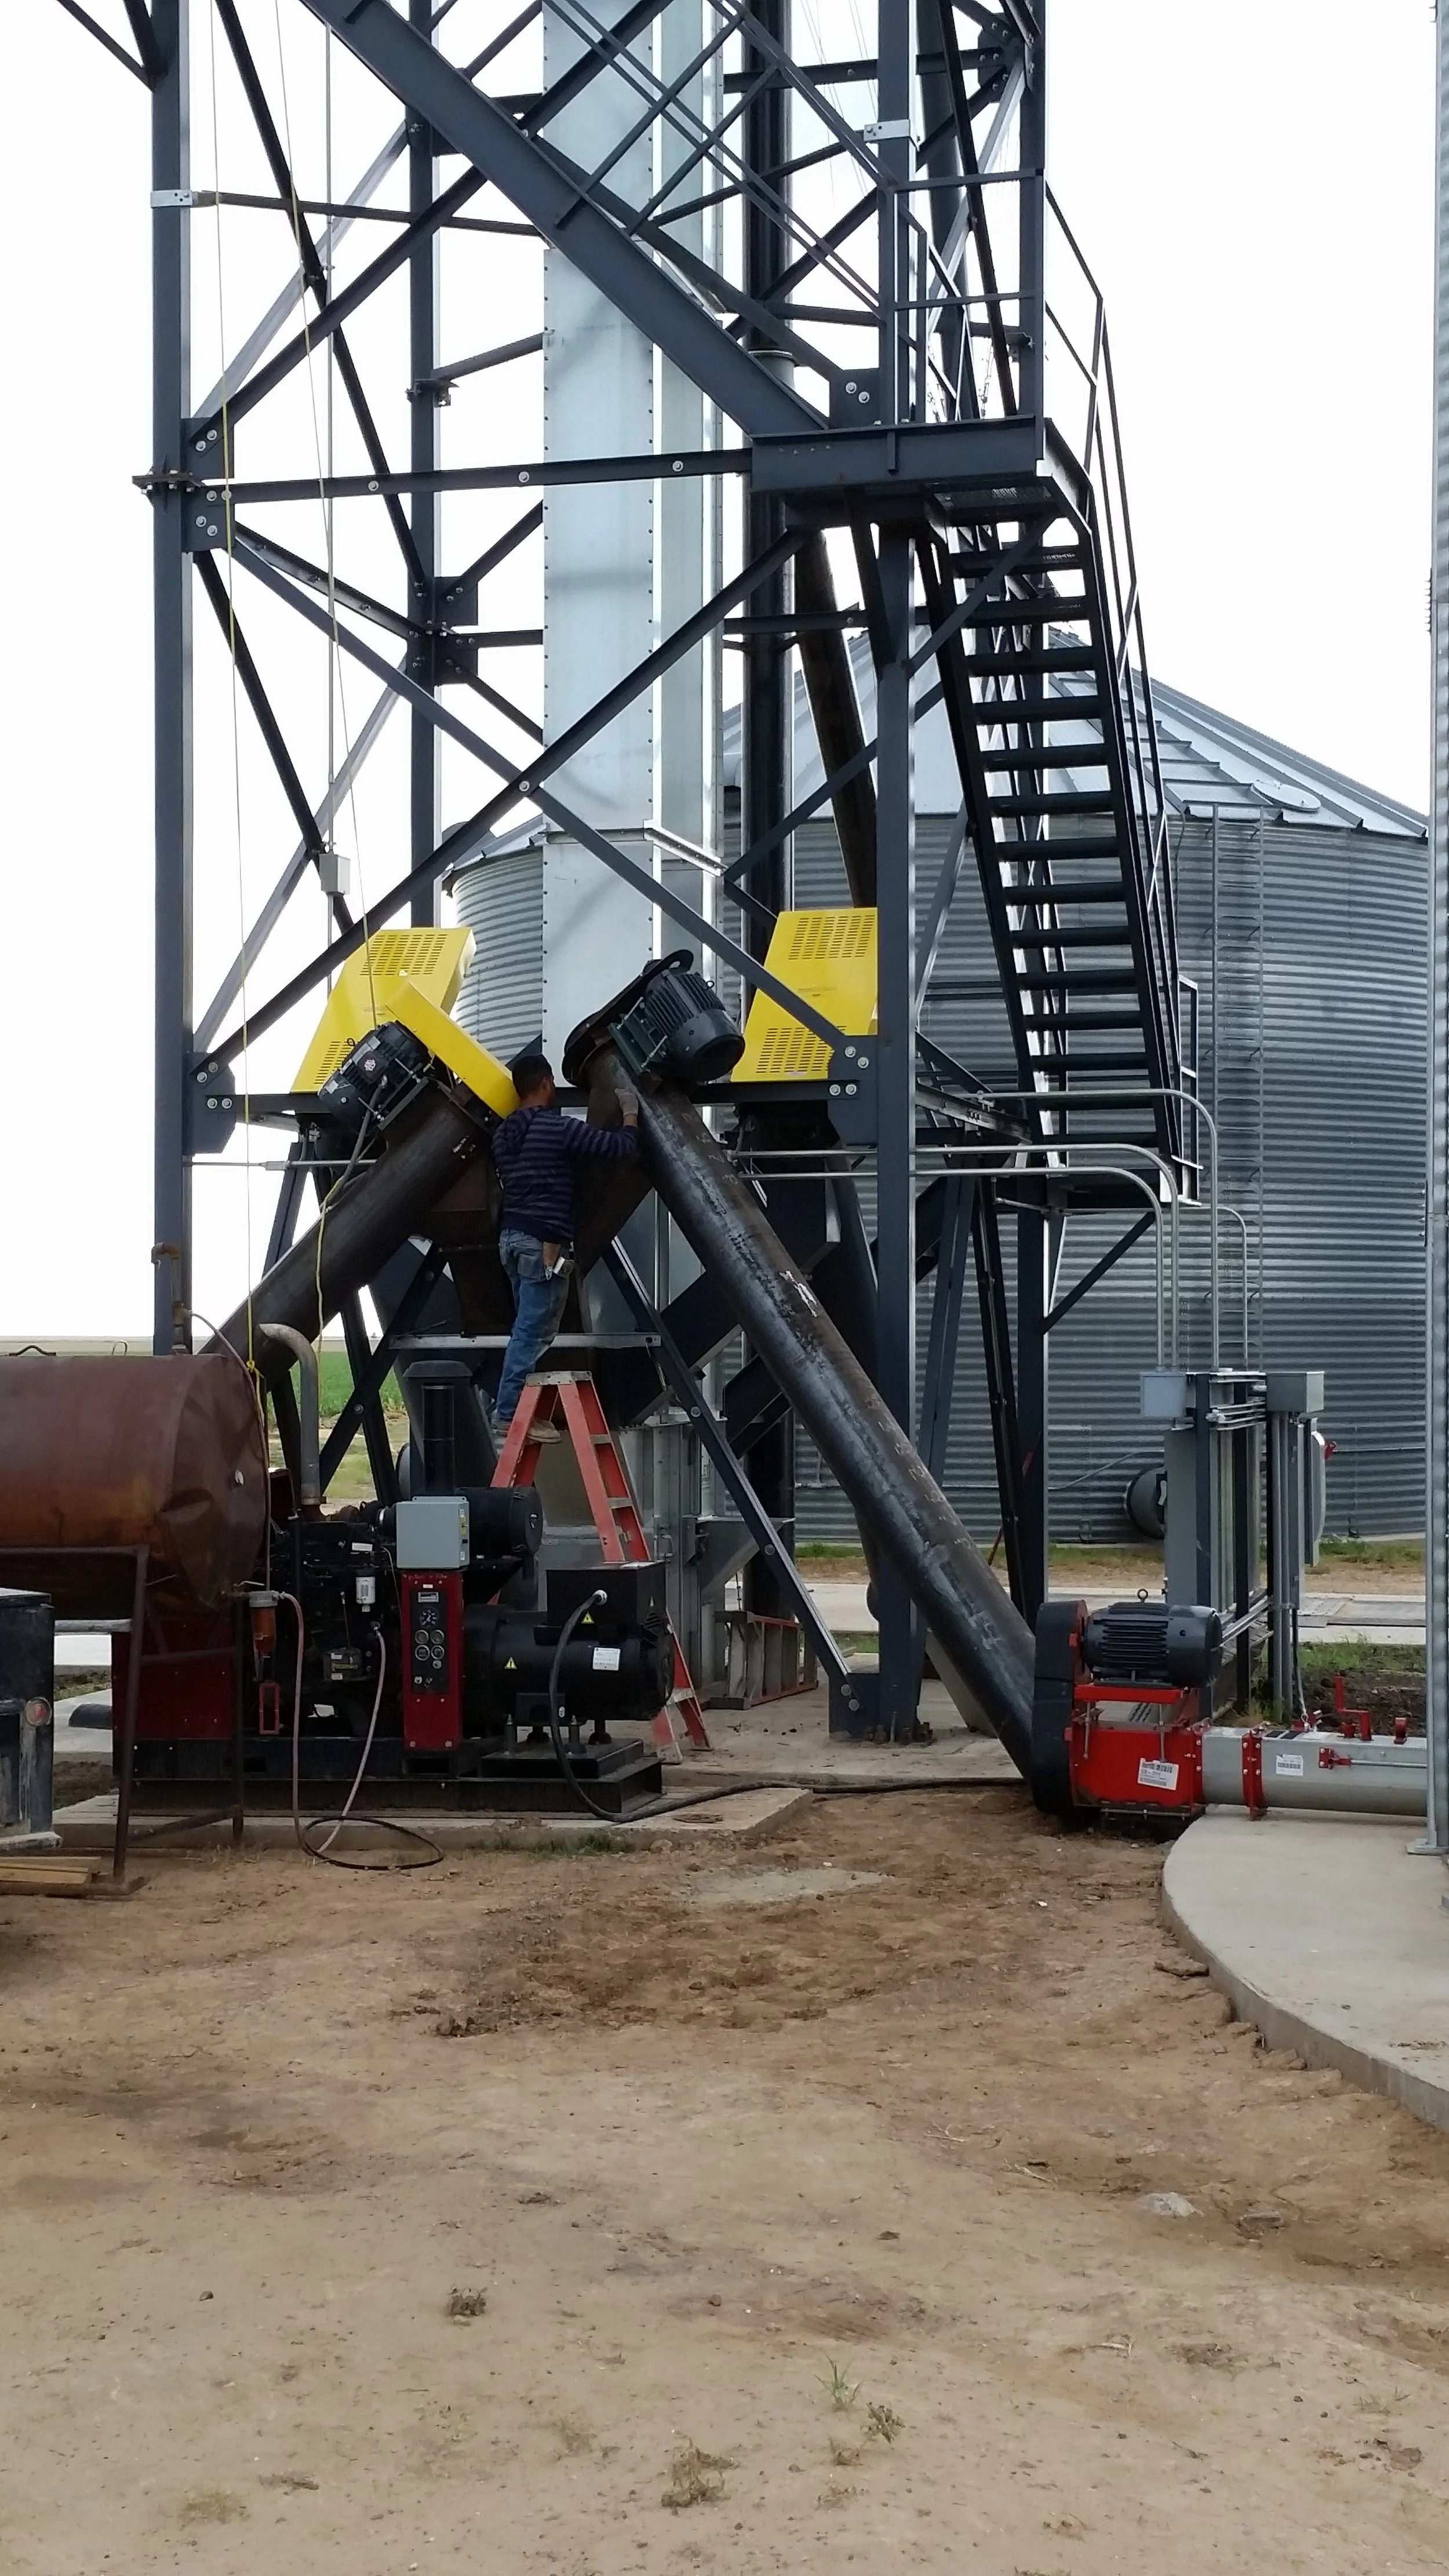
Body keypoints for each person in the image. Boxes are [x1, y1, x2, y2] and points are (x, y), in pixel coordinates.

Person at [491, 1051, 640, 1428]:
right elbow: (618, 1149)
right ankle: (509, 1412)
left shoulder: (503, 1135)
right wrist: (630, 1113)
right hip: (544, 1243)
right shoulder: (557, 1130)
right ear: (544, 1084)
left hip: (511, 1239)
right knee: (532, 1333)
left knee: (524, 1328)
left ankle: (517, 1407)